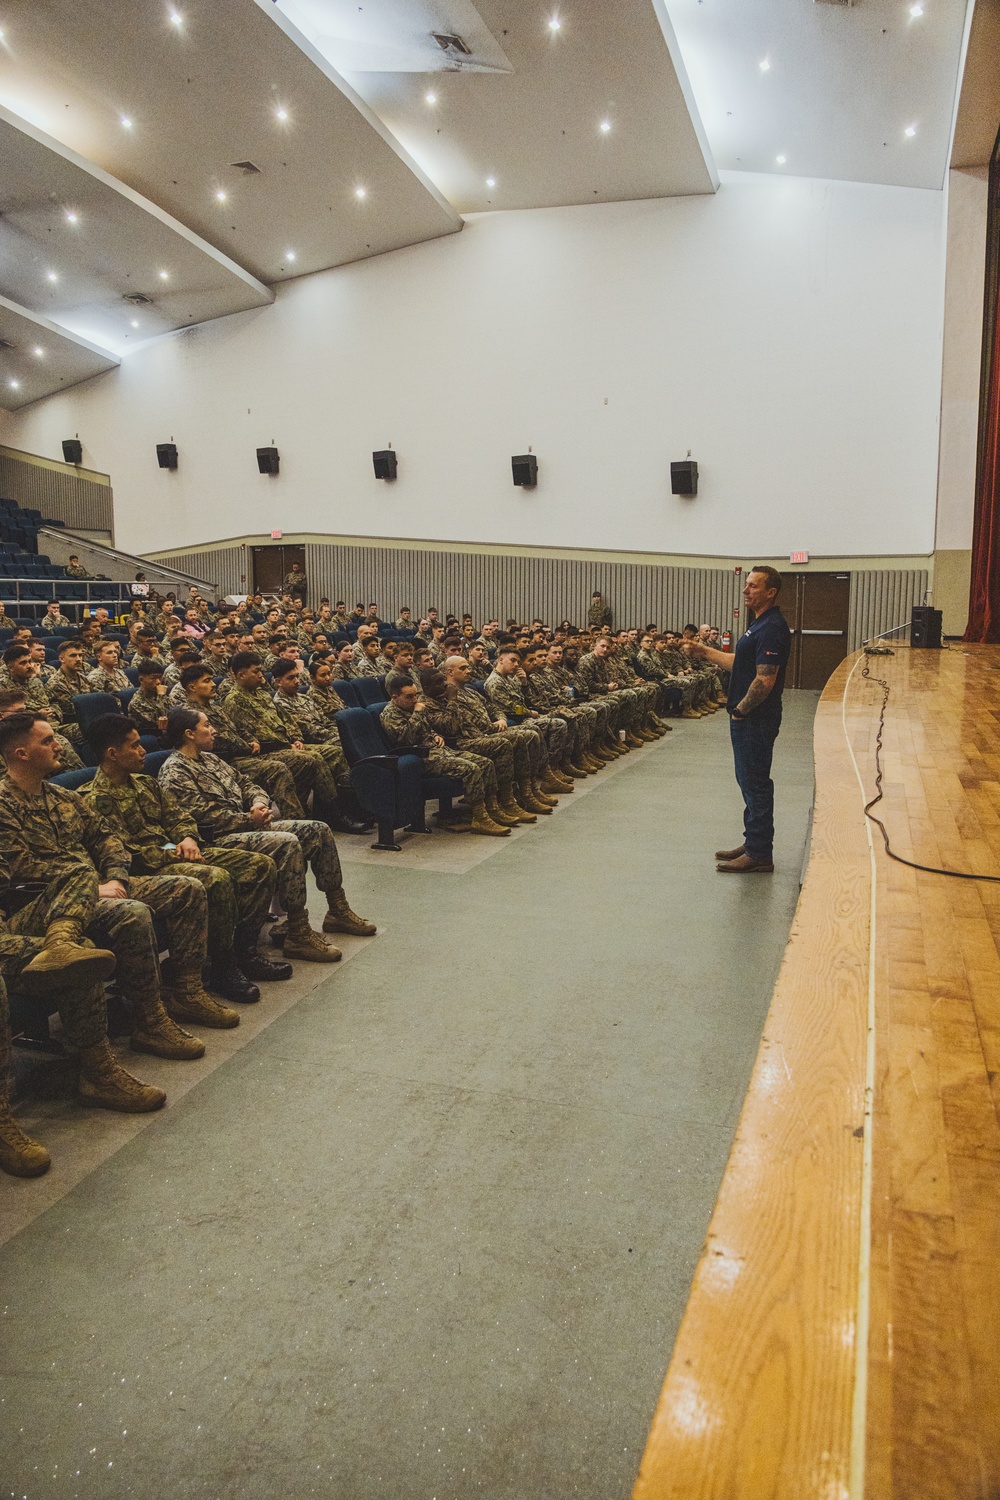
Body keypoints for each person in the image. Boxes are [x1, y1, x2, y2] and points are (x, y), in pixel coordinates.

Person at [0, 713, 209, 1061]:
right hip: (44, 904)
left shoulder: (61, 796)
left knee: (186, 888)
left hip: (98, 886)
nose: (59, 745)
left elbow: (106, 837)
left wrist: (114, 877)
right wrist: (89, 886)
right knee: (132, 913)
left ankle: (187, 991)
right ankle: (149, 1021)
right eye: (48, 740)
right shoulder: (3, 804)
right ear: (21, 754)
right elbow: (21, 868)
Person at [82, 714, 288, 1010]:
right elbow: (127, 854)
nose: (144, 752)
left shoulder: (145, 784)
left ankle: (245, 949)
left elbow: (178, 817)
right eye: (135, 746)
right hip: (150, 867)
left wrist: (187, 838)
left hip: (177, 851)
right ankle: (222, 966)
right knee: (216, 879)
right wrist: (174, 849)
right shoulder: (93, 799)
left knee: (260, 866)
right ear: (112, 754)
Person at [158, 709, 376, 956]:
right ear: (189, 734)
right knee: (287, 842)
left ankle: (337, 909)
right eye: (207, 725)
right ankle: (298, 931)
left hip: (244, 827)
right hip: (215, 839)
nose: (214, 730)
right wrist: (249, 820)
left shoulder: (211, 760)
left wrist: (258, 803)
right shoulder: (175, 770)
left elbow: (248, 784)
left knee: (318, 830)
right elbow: (199, 817)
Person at [685, 566, 791, 874]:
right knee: (748, 781)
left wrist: (741, 710)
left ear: (770, 592)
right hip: (750, 718)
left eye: (753, 586)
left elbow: (765, 679)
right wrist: (703, 651)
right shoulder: (757, 625)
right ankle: (753, 841)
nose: (746, 590)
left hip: (755, 719)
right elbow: (740, 662)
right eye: (746, 584)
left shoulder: (771, 627)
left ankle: (759, 852)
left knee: (755, 782)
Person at [380, 673, 511, 836]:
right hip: (421, 757)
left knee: (485, 763)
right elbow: (406, 739)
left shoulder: (411, 707)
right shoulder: (390, 713)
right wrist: (418, 713)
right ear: (395, 697)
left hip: (437, 750)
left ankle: (492, 809)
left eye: (415, 695)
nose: (415, 700)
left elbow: (427, 727)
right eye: (409, 696)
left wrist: (435, 735)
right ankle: (480, 818)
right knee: (471, 768)